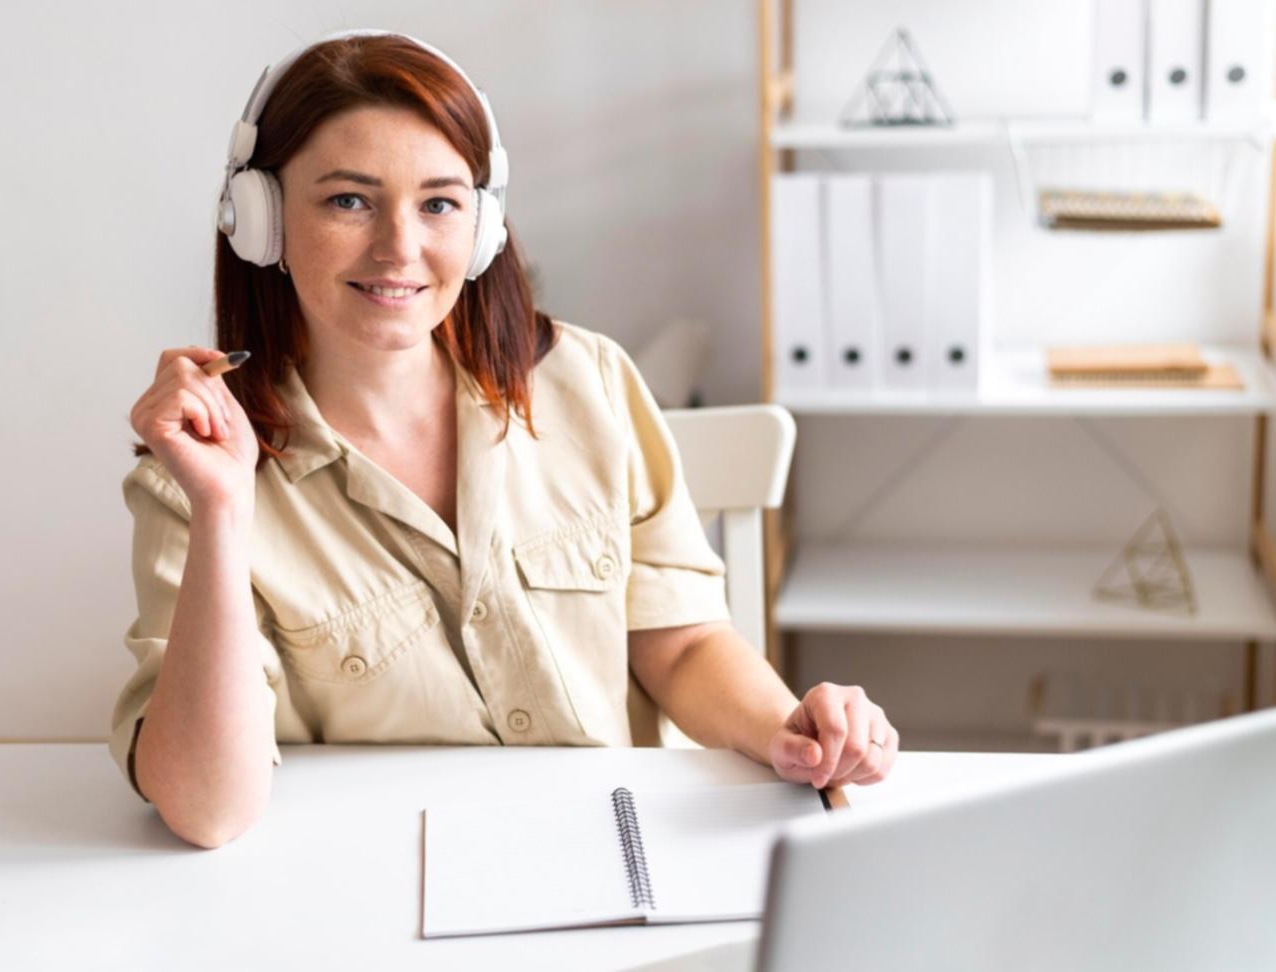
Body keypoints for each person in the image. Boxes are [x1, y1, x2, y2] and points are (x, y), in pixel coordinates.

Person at [113, 29, 898, 849]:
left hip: (615, 854)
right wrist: (222, 511)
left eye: (440, 203)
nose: (400, 249)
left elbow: (683, 641)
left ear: (484, 226)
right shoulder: (196, 479)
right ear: (259, 222)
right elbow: (207, 810)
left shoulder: (586, 381)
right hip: (373, 881)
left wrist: (783, 729)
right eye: (349, 200)